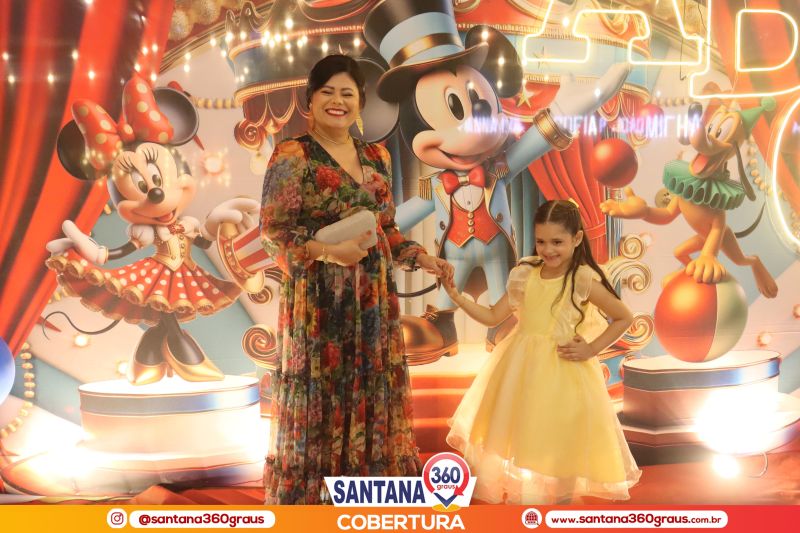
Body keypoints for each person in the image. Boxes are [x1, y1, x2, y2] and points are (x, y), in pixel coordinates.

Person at [260, 54, 453, 504]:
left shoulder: (376, 156)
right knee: (324, 390)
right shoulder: (293, 155)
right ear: (310, 100)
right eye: (327, 91)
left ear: (360, 103)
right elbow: (274, 234)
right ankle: (318, 501)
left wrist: (421, 257)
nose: (337, 101)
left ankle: (367, 498)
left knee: (371, 385)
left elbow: (386, 228)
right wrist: (329, 251)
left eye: (347, 93)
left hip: (373, 302)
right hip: (318, 302)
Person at [443, 200, 641, 504]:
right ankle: (532, 503)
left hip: (565, 372)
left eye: (557, 242)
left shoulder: (582, 278)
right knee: (527, 434)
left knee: (565, 440)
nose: (548, 250)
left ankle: (561, 502)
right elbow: (493, 316)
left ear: (576, 238)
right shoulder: (526, 273)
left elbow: (623, 317)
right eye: (541, 242)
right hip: (523, 370)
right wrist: (457, 296)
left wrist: (591, 348)